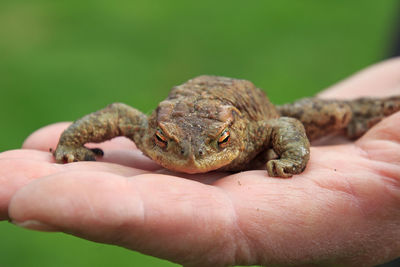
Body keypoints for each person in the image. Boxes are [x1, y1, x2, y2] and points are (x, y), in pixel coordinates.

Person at [1, 58, 400, 267]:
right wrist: (71, 143)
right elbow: (115, 114)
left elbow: (284, 123)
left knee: (334, 113)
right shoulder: (146, 127)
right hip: (189, 112)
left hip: (243, 105)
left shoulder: (248, 131)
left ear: (230, 137)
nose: (192, 160)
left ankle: (368, 114)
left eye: (216, 146)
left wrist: (294, 157)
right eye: (166, 144)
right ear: (156, 132)